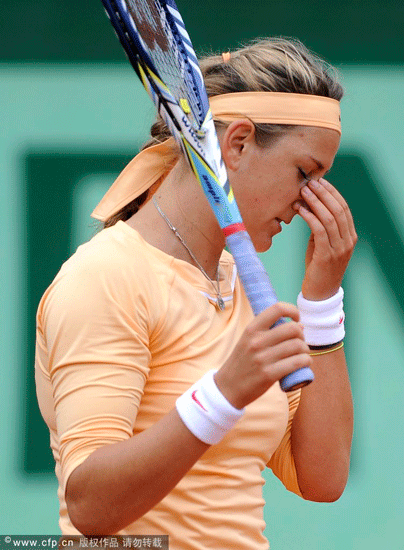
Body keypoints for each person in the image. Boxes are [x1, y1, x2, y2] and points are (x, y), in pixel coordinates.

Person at [35, 37, 356, 549]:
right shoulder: (105, 276)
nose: (309, 201)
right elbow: (90, 505)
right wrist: (224, 393)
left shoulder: (245, 286)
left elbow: (321, 477)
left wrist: (321, 299)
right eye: (305, 172)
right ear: (239, 143)